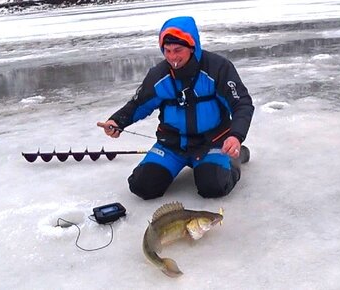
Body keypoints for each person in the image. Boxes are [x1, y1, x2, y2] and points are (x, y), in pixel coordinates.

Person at [97, 16, 254, 200]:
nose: (172, 57)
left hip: (212, 142)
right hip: (172, 145)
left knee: (213, 187)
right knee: (142, 187)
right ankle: (182, 164)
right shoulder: (159, 75)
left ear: (192, 47)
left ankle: (235, 157)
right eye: (167, 50)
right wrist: (118, 121)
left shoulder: (218, 68)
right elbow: (139, 104)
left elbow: (241, 103)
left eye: (178, 50)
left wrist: (235, 136)